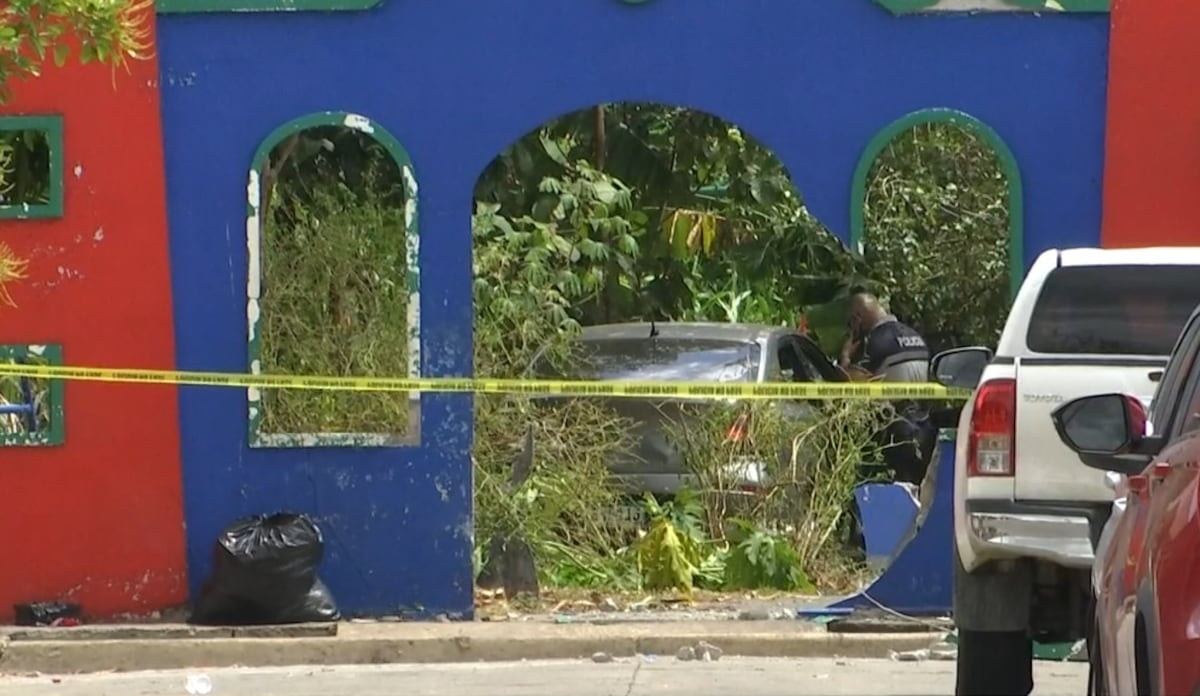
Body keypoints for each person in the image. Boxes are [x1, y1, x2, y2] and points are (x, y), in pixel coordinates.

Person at [837, 292, 936, 485]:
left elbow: (850, 383)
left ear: (857, 318)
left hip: (894, 434)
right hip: (924, 427)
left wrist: (845, 357)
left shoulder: (873, 342)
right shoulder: (915, 336)